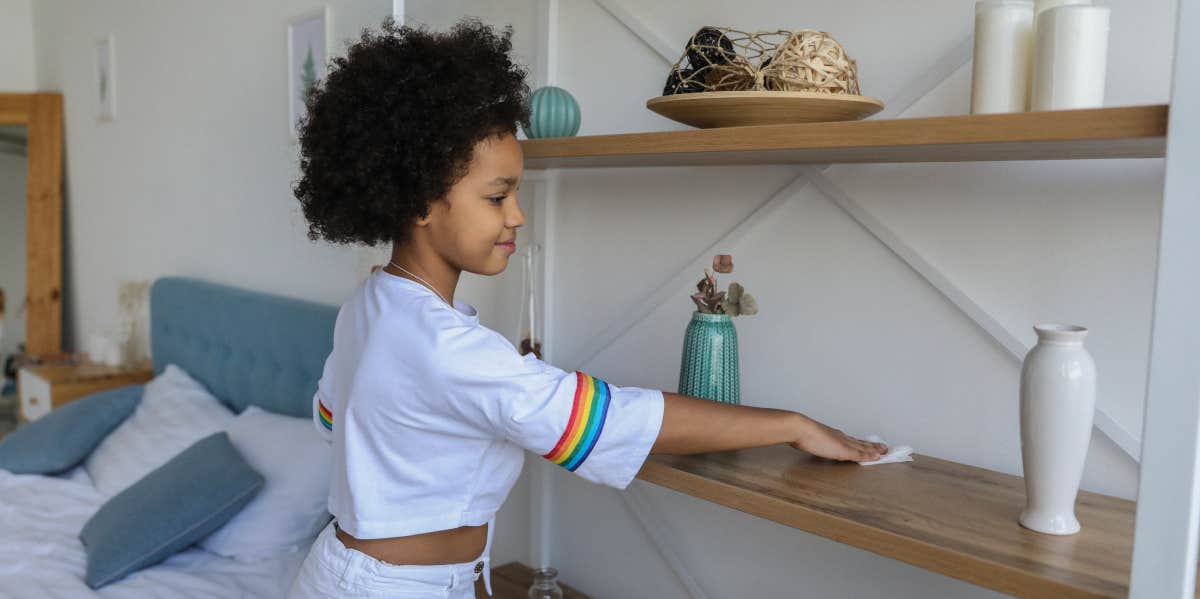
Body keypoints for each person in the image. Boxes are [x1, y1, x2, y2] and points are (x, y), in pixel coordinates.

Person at [285, 17, 887, 599]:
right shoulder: (442, 347)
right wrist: (792, 424)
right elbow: (607, 421)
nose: (517, 216)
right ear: (418, 201)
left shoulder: (371, 305)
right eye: (497, 197)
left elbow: (333, 419)